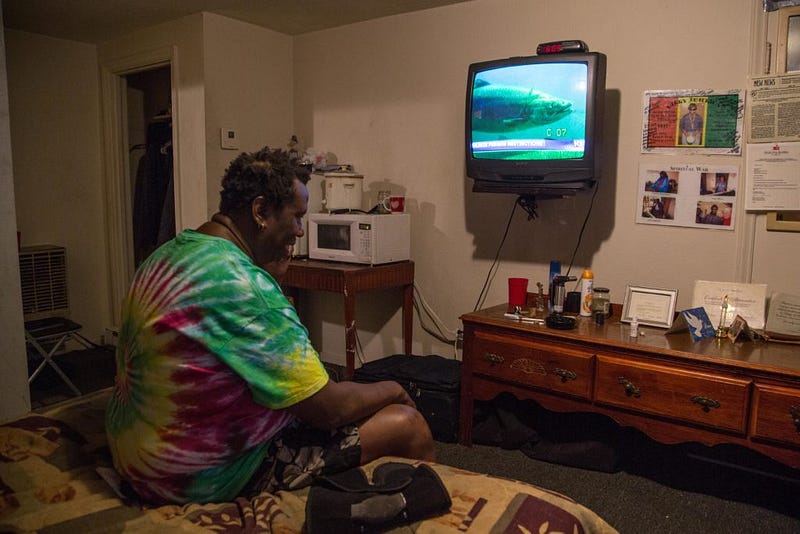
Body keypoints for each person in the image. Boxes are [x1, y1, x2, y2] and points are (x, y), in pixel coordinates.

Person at [105, 147, 434, 505]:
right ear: (261, 211)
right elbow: (329, 410)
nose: (298, 230)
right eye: (295, 217)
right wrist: (395, 389)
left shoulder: (170, 254)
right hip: (198, 477)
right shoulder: (245, 287)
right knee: (406, 423)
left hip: (139, 460)